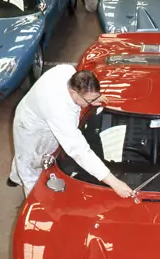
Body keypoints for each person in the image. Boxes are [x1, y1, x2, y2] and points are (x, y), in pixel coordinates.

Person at [8, 64, 134, 198]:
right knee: (30, 166)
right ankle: (34, 200)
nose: (89, 103)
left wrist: (93, 98)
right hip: (30, 128)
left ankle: (14, 177)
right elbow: (78, 149)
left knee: (26, 155)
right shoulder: (58, 109)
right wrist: (113, 182)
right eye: (88, 100)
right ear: (74, 92)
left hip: (42, 113)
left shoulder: (68, 72)